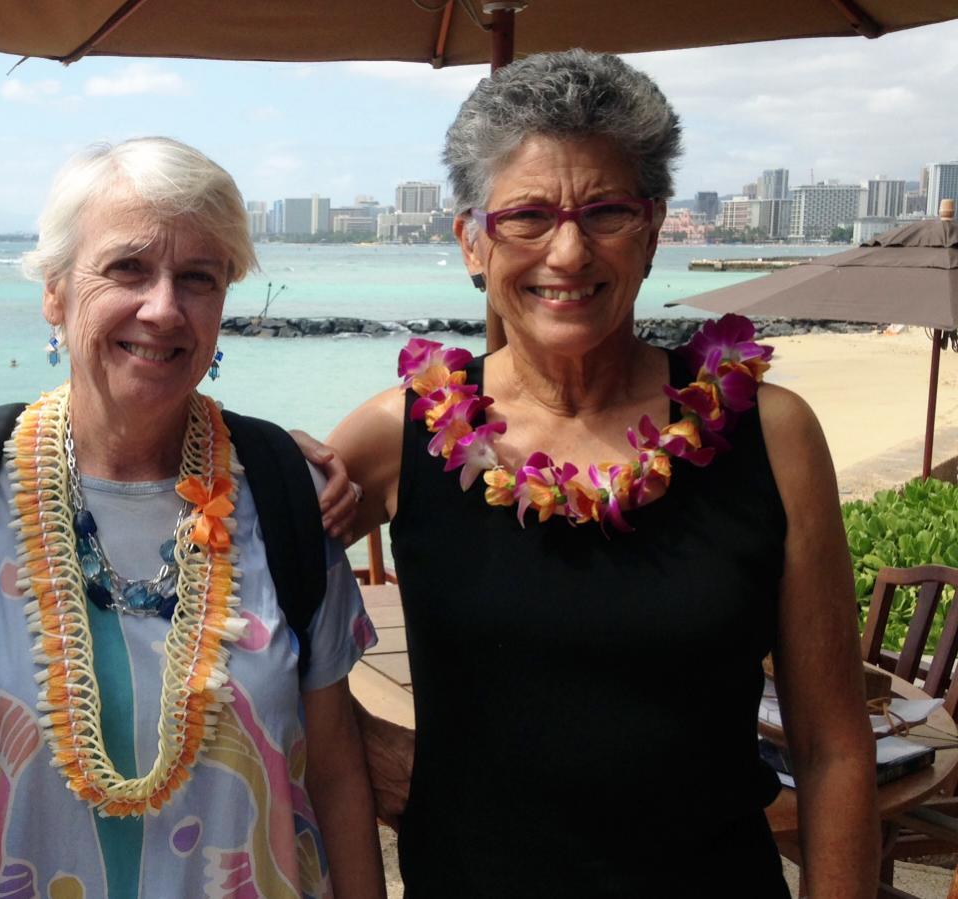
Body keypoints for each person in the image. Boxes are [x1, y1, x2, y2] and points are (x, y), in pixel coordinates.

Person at [328, 50, 877, 898]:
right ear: (473, 239)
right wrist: (356, 739)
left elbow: (835, 745)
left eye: (607, 211)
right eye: (529, 216)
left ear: (653, 228)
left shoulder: (773, 434)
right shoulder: (396, 434)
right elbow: (242, 604)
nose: (570, 250)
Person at [0, 137, 385, 897]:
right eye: (127, 268)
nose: (163, 307)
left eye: (198, 278)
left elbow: (340, 776)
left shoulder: (284, 491)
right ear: (54, 290)